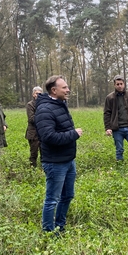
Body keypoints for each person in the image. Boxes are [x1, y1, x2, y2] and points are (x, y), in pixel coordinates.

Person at [35, 75, 83, 233]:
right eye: (64, 87)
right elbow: (48, 137)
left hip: (68, 160)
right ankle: (49, 232)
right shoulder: (44, 109)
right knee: (52, 200)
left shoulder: (60, 104)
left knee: (68, 195)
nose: (68, 90)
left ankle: (60, 226)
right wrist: (74, 134)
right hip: (55, 163)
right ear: (54, 90)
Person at [104, 75, 128, 171]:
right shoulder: (110, 98)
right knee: (119, 151)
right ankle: (120, 171)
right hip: (117, 129)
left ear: (124, 84)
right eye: (117, 84)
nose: (120, 86)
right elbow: (107, 113)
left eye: (121, 84)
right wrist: (108, 128)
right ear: (114, 85)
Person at [25, 86, 43, 167]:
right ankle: (32, 169)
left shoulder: (44, 104)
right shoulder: (30, 105)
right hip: (33, 133)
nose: (38, 95)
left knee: (44, 152)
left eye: (40, 94)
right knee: (34, 153)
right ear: (33, 94)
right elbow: (32, 119)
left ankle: (44, 168)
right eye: (37, 93)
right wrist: (44, 118)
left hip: (43, 133)